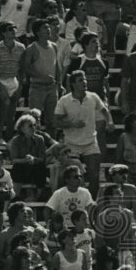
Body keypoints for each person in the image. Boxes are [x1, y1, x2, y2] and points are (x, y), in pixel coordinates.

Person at [54, 71, 112, 199]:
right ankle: (67, 199)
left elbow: (104, 110)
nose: (85, 82)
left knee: (94, 175)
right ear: (73, 84)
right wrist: (71, 124)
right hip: (71, 143)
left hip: (90, 142)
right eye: (80, 80)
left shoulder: (93, 97)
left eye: (85, 79)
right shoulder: (64, 100)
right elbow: (56, 121)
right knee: (69, 175)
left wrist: (110, 122)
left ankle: (90, 202)